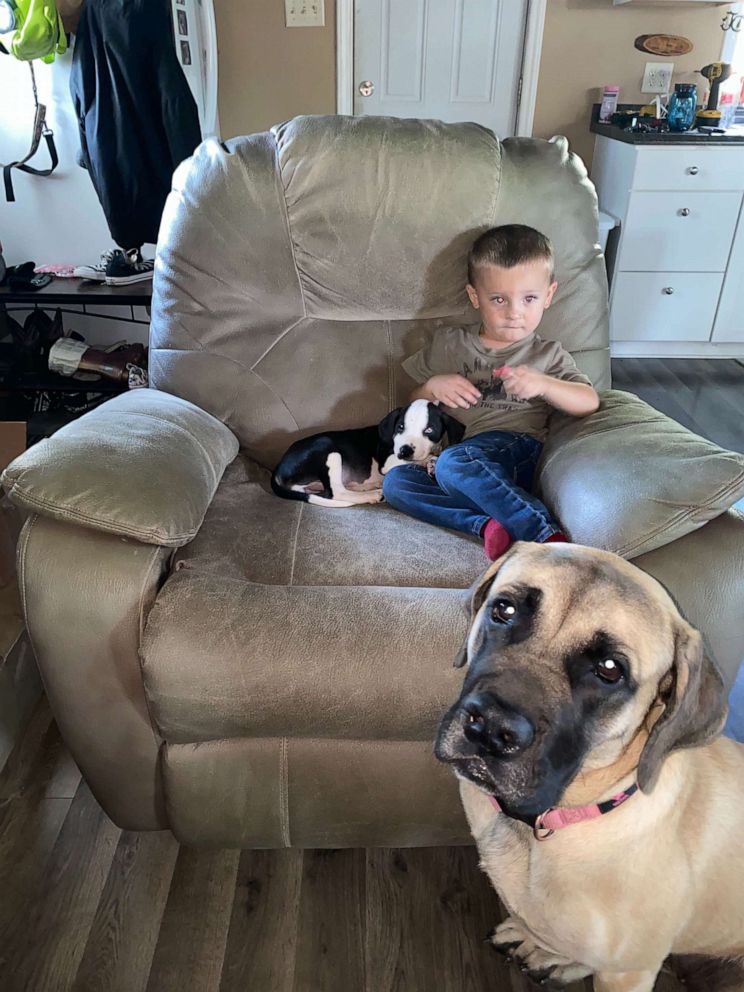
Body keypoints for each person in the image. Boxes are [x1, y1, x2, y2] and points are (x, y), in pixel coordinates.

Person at [383, 224, 600, 559]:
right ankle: (487, 526)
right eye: (498, 299)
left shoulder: (547, 355)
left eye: (529, 299)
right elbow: (412, 405)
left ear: (549, 295)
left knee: (455, 461)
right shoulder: (449, 344)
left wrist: (544, 383)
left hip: (515, 450)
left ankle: (545, 535)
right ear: (475, 297)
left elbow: (589, 401)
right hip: (454, 463)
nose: (514, 312)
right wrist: (430, 387)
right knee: (396, 483)